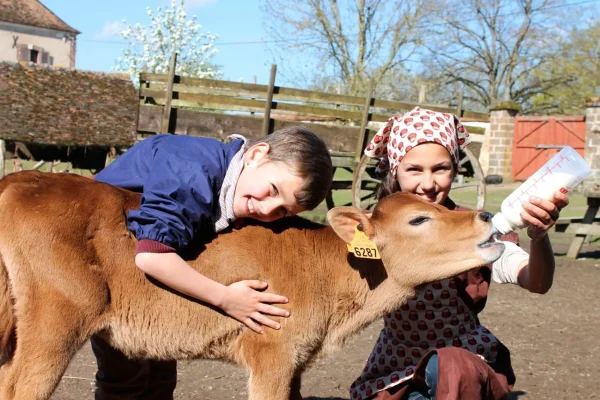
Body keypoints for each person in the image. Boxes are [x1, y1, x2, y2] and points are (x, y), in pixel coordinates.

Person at [92, 126, 333, 399]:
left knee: (159, 377)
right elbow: (152, 255)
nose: (266, 209)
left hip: (145, 284)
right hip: (107, 276)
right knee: (127, 379)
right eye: (273, 189)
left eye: (282, 211)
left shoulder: (233, 183)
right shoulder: (194, 174)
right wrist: (226, 298)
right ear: (256, 154)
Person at [349, 107, 568, 400]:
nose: (428, 184)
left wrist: (539, 236)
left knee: (449, 365)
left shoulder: (476, 226)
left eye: (440, 169)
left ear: (454, 169)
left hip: (463, 364)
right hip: (395, 363)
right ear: (394, 169)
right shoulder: (371, 233)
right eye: (414, 169)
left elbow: (536, 282)